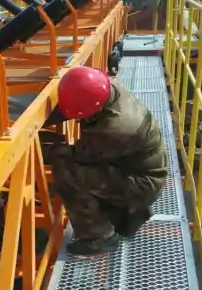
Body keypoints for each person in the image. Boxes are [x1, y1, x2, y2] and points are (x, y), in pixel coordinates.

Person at [42, 66, 168, 255]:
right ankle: (127, 214)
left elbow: (78, 154)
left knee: (67, 170)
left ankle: (100, 237)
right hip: (135, 168)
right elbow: (75, 103)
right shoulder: (105, 88)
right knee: (83, 169)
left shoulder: (115, 129)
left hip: (142, 183)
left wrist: (45, 149)